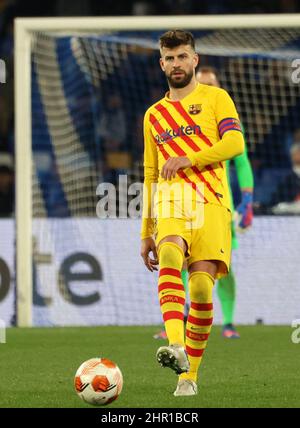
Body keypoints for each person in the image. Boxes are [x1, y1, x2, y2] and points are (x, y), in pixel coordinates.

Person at [140, 30, 244, 396]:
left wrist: (190, 158)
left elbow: (235, 142)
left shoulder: (217, 98)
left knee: (201, 289)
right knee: (169, 252)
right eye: (169, 58)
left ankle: (189, 377)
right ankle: (176, 345)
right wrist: (145, 232)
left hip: (213, 202)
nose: (176, 64)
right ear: (161, 64)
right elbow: (151, 175)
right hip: (172, 201)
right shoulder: (154, 115)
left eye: (182, 56)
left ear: (195, 59)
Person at [196, 66, 254, 338]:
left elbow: (241, 162)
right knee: (181, 263)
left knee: (223, 266)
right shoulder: (182, 121)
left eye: (212, 84)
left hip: (221, 208)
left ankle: (228, 322)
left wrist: (249, 199)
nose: (208, 88)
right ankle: (181, 319)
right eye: (203, 84)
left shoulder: (227, 124)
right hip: (187, 204)